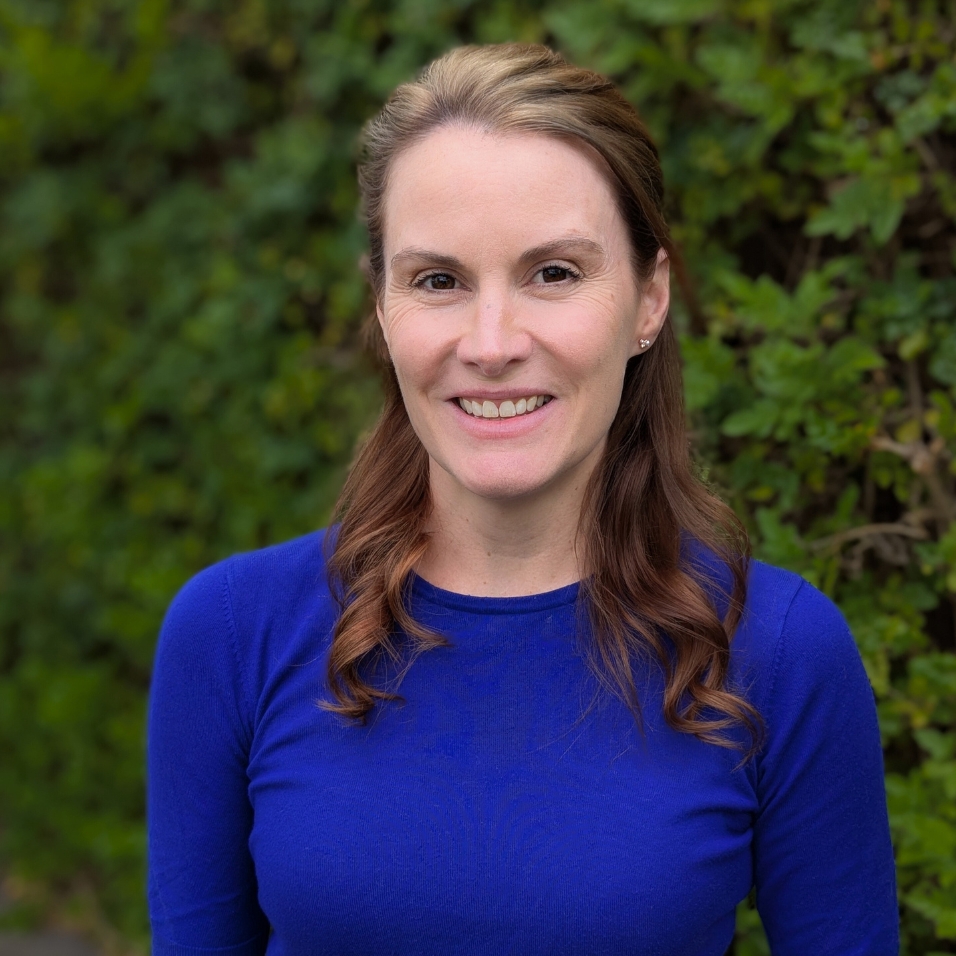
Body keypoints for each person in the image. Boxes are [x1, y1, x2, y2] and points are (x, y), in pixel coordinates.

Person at [147, 44, 899, 956]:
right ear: (382, 308)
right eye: (438, 280)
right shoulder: (233, 633)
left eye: (554, 273)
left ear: (649, 298)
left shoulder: (777, 651)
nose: (492, 342)